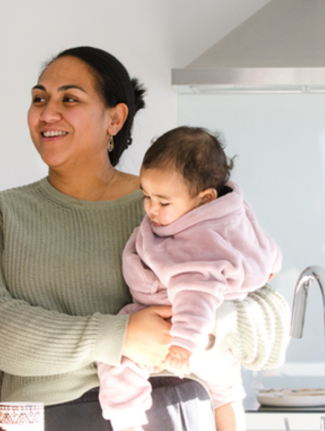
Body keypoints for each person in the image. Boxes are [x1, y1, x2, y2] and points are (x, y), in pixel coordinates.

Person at [0, 46, 289, 431]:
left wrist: (199, 321)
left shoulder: (171, 207)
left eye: (70, 98)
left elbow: (272, 319)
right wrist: (121, 335)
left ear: (115, 118)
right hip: (38, 419)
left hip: (170, 408)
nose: (47, 113)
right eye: (39, 98)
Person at [99, 126, 281, 431]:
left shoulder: (193, 244)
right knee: (226, 394)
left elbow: (195, 294)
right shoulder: (232, 211)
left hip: (177, 327)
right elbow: (267, 249)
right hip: (219, 344)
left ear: (204, 198)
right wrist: (267, 267)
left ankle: (128, 425)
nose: (150, 210)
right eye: (146, 197)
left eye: (163, 202)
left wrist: (183, 345)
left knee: (118, 360)